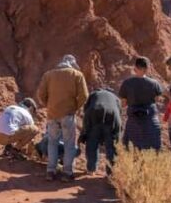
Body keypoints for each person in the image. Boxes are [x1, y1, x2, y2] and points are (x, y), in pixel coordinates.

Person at [37, 54, 89, 182]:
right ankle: (67, 172)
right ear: (72, 64)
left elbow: (40, 94)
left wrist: (49, 106)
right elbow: (84, 95)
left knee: (52, 142)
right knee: (69, 144)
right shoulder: (77, 75)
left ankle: (50, 171)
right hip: (68, 115)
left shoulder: (48, 75)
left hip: (52, 115)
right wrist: (75, 107)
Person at [119, 56, 164, 151]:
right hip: (150, 122)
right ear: (147, 69)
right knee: (152, 150)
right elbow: (157, 99)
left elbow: (123, 104)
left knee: (131, 150)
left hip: (133, 121)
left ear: (135, 68)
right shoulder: (154, 83)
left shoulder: (127, 83)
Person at [79, 88, 122, 176]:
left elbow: (86, 108)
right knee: (111, 146)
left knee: (92, 142)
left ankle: (91, 169)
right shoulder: (115, 97)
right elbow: (119, 112)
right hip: (112, 117)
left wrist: (85, 131)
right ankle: (111, 173)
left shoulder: (94, 94)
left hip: (94, 115)